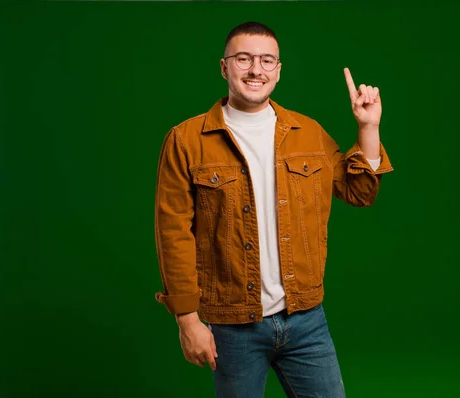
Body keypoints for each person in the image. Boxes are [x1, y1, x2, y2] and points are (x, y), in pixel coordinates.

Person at [154, 21, 393, 398]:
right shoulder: (186, 140)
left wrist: (368, 127)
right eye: (244, 58)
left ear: (278, 71)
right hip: (232, 327)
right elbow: (172, 233)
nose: (255, 70)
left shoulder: (308, 132)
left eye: (267, 60)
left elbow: (360, 192)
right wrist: (187, 320)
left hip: (306, 321)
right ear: (224, 67)